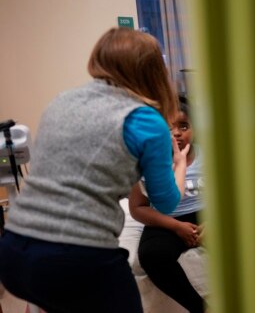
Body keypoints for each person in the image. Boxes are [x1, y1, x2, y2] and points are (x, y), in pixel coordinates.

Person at [0, 27, 189, 313]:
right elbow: (166, 202)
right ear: (153, 70)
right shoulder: (146, 120)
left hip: (13, 252)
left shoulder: (62, 101)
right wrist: (180, 165)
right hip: (76, 258)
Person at [129, 95, 205, 313]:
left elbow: (228, 194)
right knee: (151, 255)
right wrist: (175, 227)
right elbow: (137, 208)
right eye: (168, 127)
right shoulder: (146, 162)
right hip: (166, 220)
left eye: (183, 126)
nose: (177, 133)